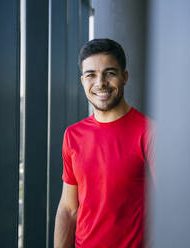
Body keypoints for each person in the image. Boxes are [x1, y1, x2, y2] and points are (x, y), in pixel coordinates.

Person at [54, 38, 154, 248]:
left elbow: (172, 207)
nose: (100, 83)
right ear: (83, 81)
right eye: (91, 75)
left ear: (124, 77)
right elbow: (68, 209)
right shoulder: (73, 135)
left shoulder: (149, 132)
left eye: (109, 73)